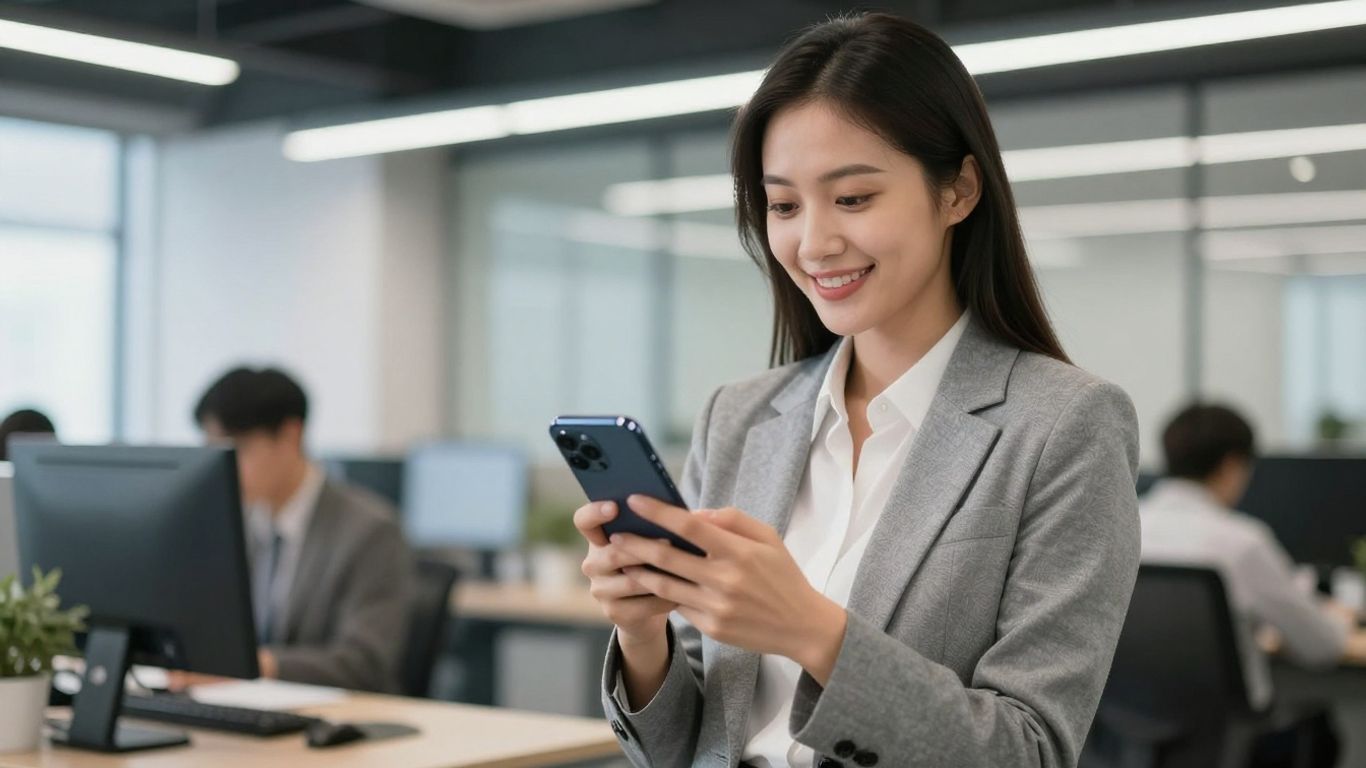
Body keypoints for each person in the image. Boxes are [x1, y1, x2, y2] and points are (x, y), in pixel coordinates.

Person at [574, 13, 1141, 768]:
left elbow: (1028, 749)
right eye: (783, 205)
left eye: (853, 198)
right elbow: (683, 747)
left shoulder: (1065, 425)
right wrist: (643, 635)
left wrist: (812, 629)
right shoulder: (739, 417)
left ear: (959, 191)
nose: (813, 243)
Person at [1141, 403, 1363, 766]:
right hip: (1228, 740)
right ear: (1232, 465)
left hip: (1125, 731)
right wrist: (1341, 617)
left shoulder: (1124, 525)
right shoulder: (1241, 543)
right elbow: (1322, 648)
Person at [191, 366, 415, 693]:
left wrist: (260, 665)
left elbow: (366, 662)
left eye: (237, 450)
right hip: (249, 710)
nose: (223, 467)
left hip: (342, 721)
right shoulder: (237, 524)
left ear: (290, 435)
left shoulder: (370, 531)